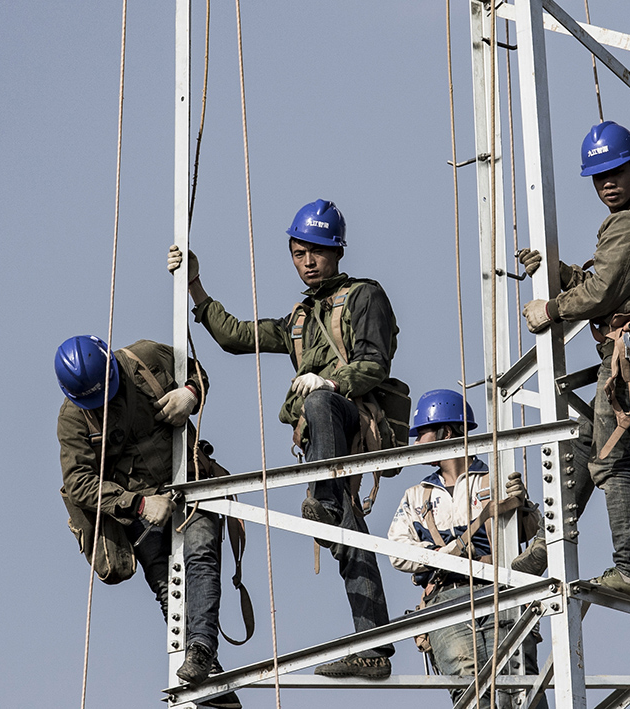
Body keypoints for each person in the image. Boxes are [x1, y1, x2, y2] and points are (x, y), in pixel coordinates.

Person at [167, 198, 396, 678]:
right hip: (321, 438)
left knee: (316, 405)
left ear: (336, 251)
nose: (308, 262)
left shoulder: (364, 297)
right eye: (298, 252)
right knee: (347, 534)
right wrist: (194, 285)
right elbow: (236, 336)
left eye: (316, 251)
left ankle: (325, 497)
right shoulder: (299, 319)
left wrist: (331, 384)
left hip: (351, 416)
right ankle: (373, 647)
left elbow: (375, 362)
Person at [518, 121, 630, 599]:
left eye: (615, 172)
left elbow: (605, 291)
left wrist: (550, 309)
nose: (608, 183)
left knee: (612, 456)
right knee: (585, 441)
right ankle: (546, 543)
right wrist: (559, 274)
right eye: (599, 177)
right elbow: (616, 287)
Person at [55, 335, 240, 709]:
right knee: (168, 586)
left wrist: (189, 393)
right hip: (142, 506)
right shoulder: (74, 418)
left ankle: (202, 650)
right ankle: (214, 685)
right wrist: (138, 505)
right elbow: (78, 482)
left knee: (201, 555)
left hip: (188, 481)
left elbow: (197, 373)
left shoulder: (145, 357)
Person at [388, 389, 548, 708]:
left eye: (422, 433)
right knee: (470, 694)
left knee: (520, 689)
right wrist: (453, 552)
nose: (416, 443)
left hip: (499, 590)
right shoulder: (417, 495)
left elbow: (530, 535)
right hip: (445, 600)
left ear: (447, 432)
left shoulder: (494, 479)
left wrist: (524, 505)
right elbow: (398, 553)